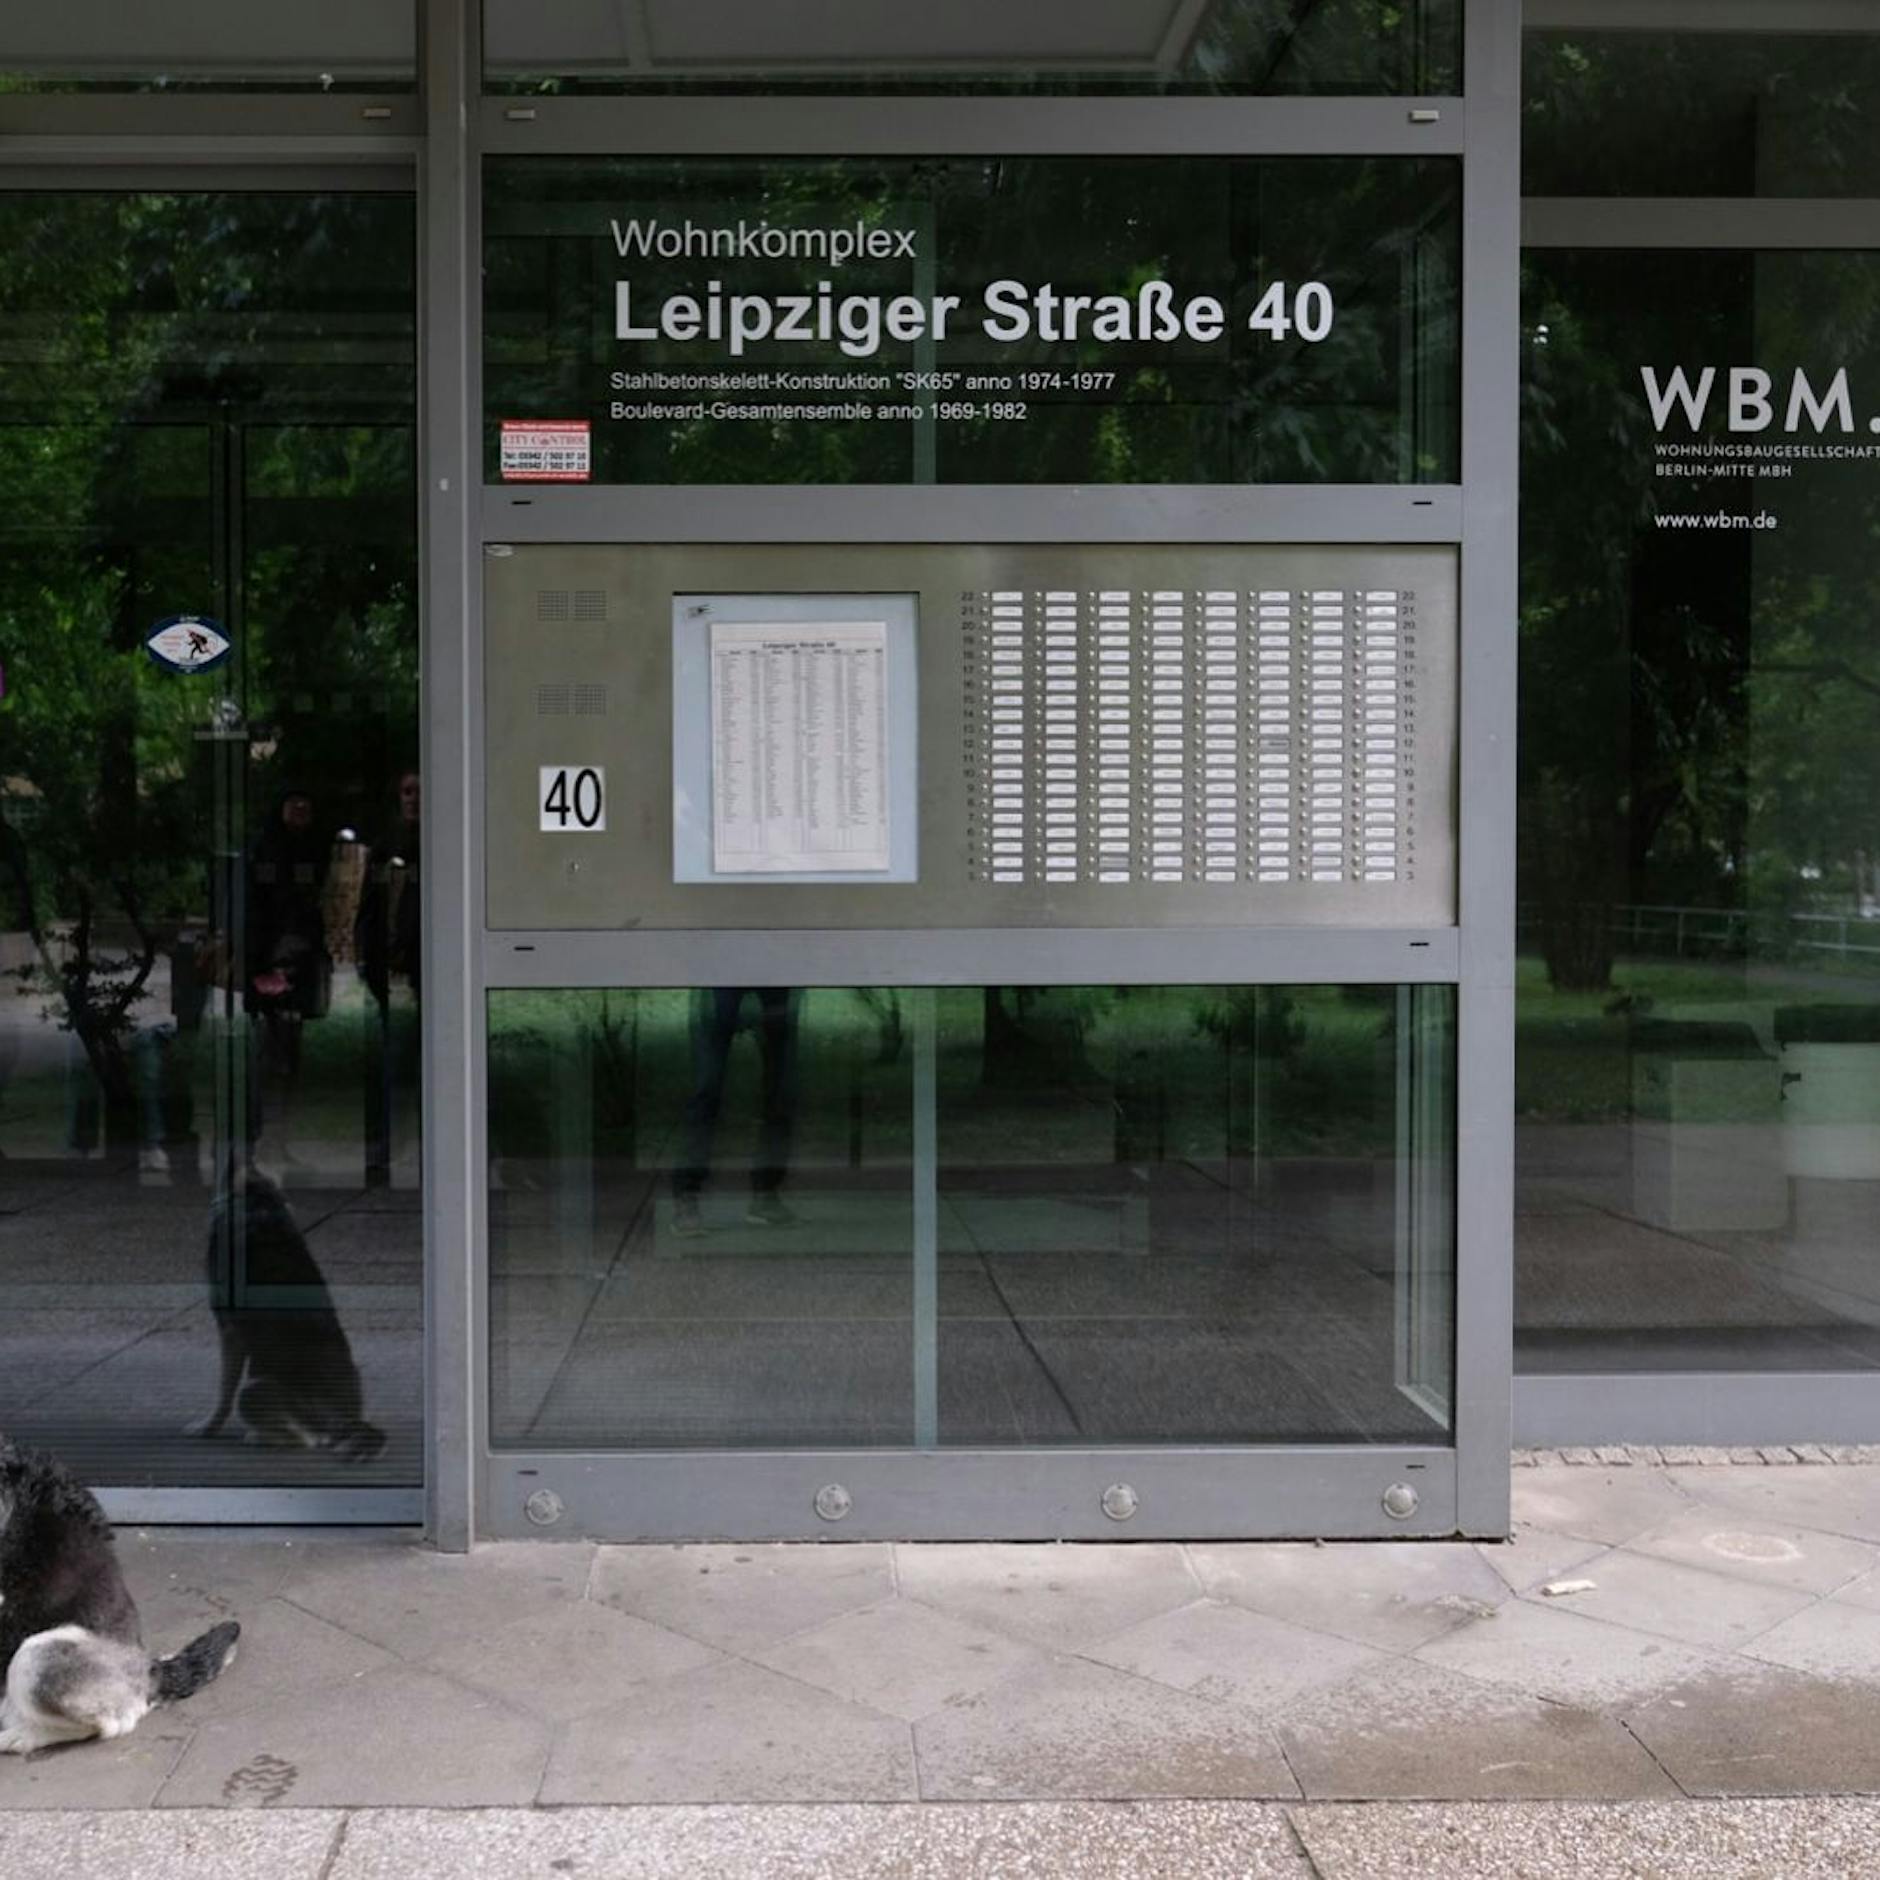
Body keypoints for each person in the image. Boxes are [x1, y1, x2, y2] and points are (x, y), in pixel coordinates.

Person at [244, 787, 332, 1172]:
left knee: (288, 1057)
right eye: (293, 803)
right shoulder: (266, 850)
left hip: (298, 960)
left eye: (306, 803)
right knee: (270, 1056)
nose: (300, 809)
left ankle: (275, 1140)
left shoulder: (313, 850)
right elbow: (256, 911)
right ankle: (260, 1140)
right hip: (271, 962)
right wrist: (262, 964)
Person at [670, 987, 800, 1236]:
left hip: (771, 968)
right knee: (707, 1088)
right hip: (725, 968)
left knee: (781, 1088)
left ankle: (766, 1192)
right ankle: (688, 1194)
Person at [355, 769, 420, 1185]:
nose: (413, 799)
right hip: (392, 971)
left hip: (426, 967)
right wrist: (369, 960)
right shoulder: (385, 847)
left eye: (419, 792)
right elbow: (370, 909)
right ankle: (382, 1147)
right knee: (389, 1062)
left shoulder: (446, 841)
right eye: (408, 792)